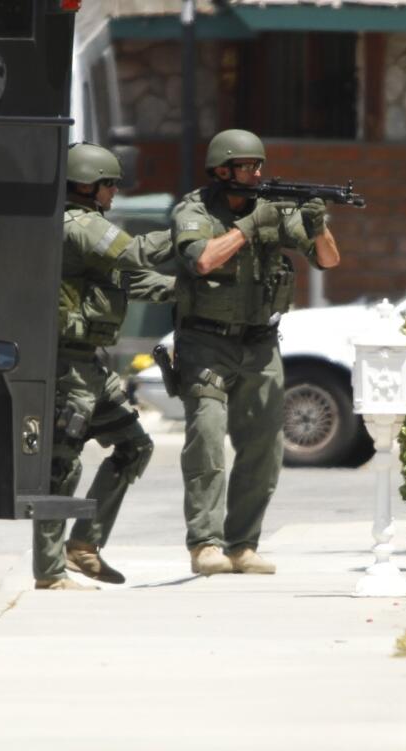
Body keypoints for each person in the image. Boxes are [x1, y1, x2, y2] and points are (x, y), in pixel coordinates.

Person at [170, 129, 340, 576]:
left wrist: (317, 224)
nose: (257, 173)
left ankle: (242, 544)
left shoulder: (271, 210)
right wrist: (248, 228)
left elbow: (328, 260)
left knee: (264, 446)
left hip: (259, 342)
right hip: (206, 342)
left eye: (259, 165)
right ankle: (205, 544)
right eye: (247, 166)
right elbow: (203, 260)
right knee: (206, 437)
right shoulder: (195, 209)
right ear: (222, 170)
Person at [33, 142, 175, 590]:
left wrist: (196, 287)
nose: (115, 192)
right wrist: (190, 231)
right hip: (67, 370)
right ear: (87, 185)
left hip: (91, 368)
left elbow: (138, 280)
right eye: (110, 184)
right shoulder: (78, 225)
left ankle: (84, 546)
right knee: (62, 466)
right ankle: (51, 572)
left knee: (134, 447)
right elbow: (136, 256)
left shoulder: (93, 231)